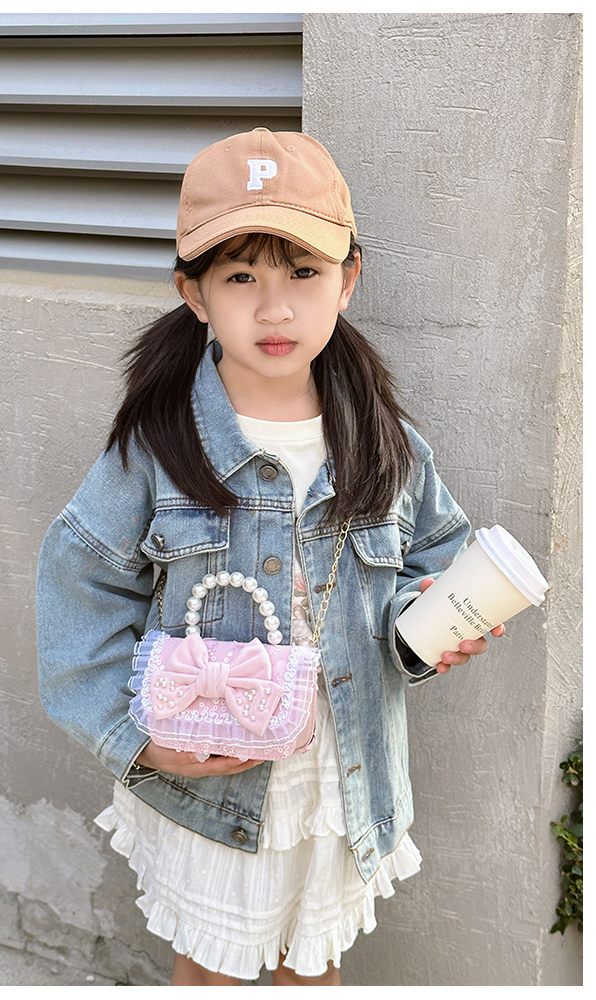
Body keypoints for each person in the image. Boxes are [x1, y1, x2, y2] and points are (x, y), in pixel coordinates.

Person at [36, 127, 504, 986]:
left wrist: (435, 626)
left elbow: (434, 560)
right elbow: (81, 585)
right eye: (241, 277)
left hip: (336, 777)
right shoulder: (157, 448)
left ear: (348, 280)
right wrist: (136, 740)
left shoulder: (388, 446)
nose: (275, 308)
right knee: (210, 969)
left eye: (303, 273)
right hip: (210, 774)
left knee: (310, 970)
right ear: (195, 293)